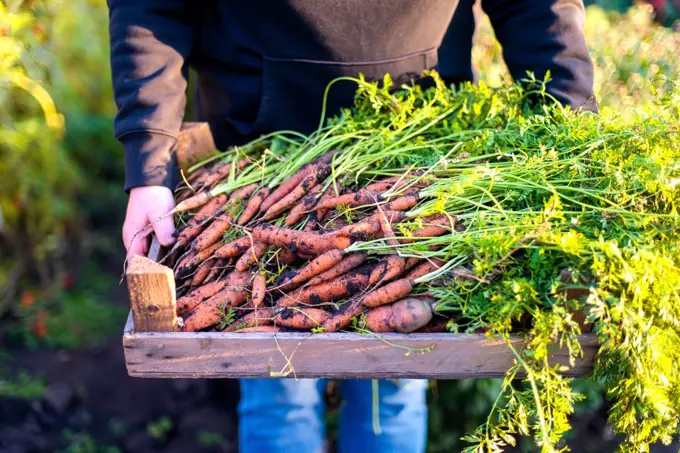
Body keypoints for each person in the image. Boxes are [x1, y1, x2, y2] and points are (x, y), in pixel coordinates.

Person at [110, 1, 596, 451]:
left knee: (396, 378)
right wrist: (149, 162)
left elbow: (536, 6)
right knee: (272, 378)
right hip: (257, 149)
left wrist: (573, 131)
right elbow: (152, 6)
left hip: (419, 162)